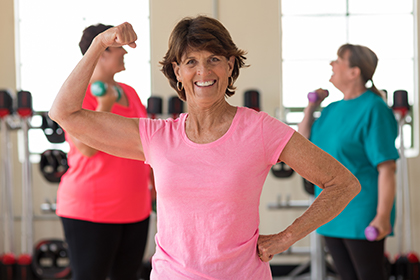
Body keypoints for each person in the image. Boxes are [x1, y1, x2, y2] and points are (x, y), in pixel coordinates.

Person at [49, 16, 360, 280]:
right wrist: (99, 44)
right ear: (177, 71)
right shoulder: (157, 137)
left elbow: (342, 183)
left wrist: (286, 237)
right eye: (191, 62)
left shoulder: (260, 129)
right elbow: (64, 113)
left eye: (214, 59)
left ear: (230, 64)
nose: (203, 72)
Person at [56, 23, 152, 280]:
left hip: (136, 208)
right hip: (91, 209)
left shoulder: (131, 93)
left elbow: (145, 144)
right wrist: (105, 105)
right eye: (119, 48)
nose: (125, 53)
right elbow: (86, 148)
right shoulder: (78, 96)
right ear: (102, 52)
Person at [298, 44, 399, 280]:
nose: (331, 65)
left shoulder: (375, 109)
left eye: (338, 60)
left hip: (360, 211)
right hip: (329, 209)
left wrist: (382, 217)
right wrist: (311, 108)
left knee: (369, 276)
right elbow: (302, 146)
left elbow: (387, 168)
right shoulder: (332, 109)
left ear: (354, 72)